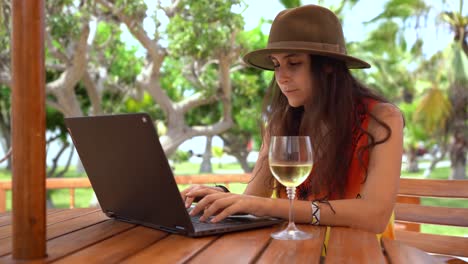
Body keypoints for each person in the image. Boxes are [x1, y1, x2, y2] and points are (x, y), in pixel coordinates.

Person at [181, 4, 403, 239]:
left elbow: (375, 216)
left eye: (293, 63)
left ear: (328, 65)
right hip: (298, 251)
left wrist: (267, 207)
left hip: (363, 253)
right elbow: (257, 198)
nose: (281, 78)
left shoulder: (381, 119)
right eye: (276, 65)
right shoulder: (281, 123)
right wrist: (220, 196)